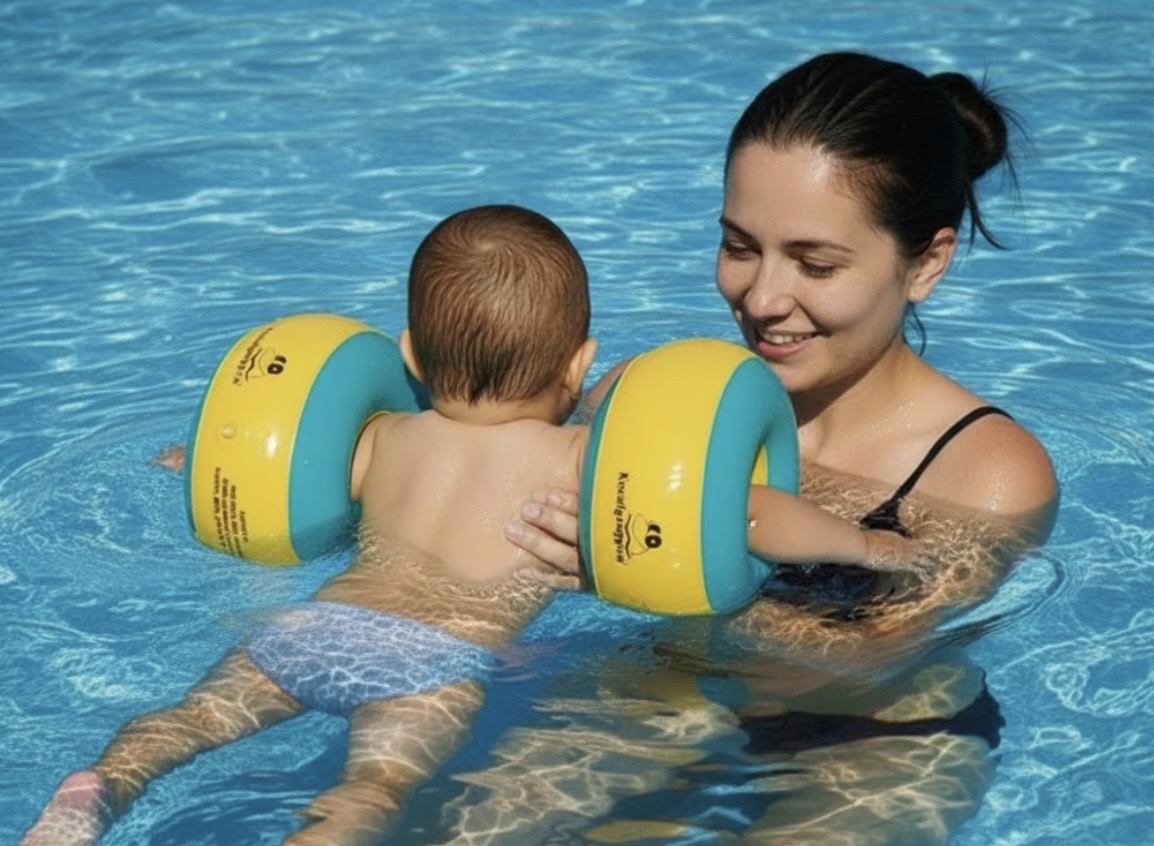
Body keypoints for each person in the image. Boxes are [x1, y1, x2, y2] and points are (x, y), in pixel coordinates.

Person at [22, 203, 925, 846]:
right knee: (374, 788)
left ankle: (91, 796)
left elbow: (260, 461)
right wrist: (867, 544)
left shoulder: (384, 438)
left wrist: (185, 462)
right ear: (580, 365)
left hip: (310, 630)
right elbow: (745, 512)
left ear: (410, 356)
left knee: (184, 721)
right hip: (432, 665)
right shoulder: (581, 467)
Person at [492, 52, 1060, 843]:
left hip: (871, 740)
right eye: (738, 246)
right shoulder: (646, 399)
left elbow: (872, 656)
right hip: (662, 690)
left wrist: (637, 567)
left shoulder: (986, 469)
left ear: (925, 263)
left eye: (815, 263)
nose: (760, 299)